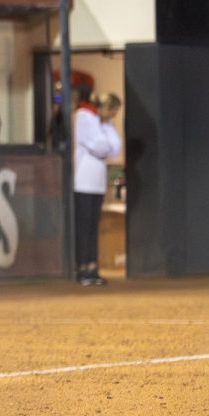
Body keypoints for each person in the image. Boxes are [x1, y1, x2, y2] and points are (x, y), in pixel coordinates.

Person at [73, 89, 122, 287]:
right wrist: (105, 143)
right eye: (112, 111)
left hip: (97, 180)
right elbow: (101, 146)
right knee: (84, 226)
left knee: (94, 226)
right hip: (83, 179)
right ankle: (82, 266)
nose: (113, 116)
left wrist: (106, 130)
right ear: (103, 107)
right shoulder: (85, 116)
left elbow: (116, 147)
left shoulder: (104, 123)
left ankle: (93, 266)